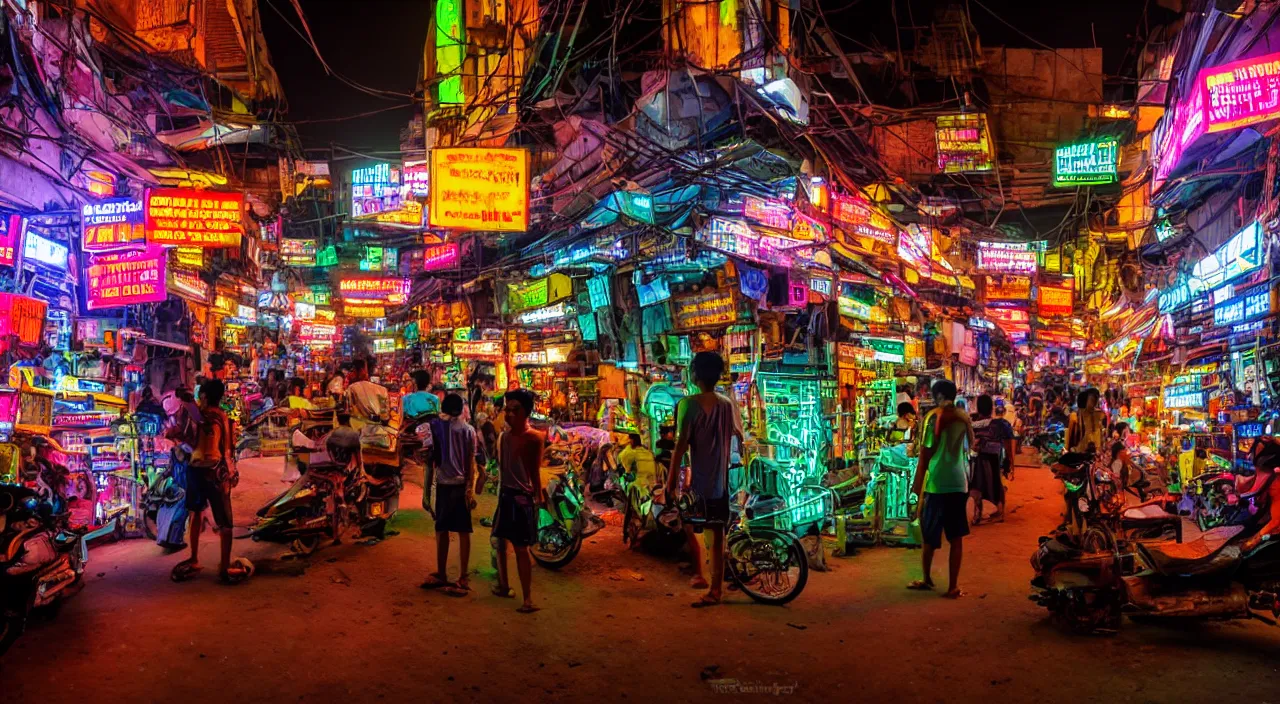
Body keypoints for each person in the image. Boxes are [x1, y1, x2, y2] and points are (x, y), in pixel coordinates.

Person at [665, 351, 743, 608]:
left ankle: (700, 575)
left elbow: (679, 446)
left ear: (695, 373)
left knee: (689, 526)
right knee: (717, 535)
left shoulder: (689, 404)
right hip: (721, 484)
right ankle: (715, 589)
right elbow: (734, 438)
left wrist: (670, 482)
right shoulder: (726, 404)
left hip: (699, 485)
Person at [171, 379, 247, 584]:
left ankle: (195, 558)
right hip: (218, 472)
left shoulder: (199, 417)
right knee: (225, 523)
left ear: (204, 396)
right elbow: (229, 448)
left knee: (196, 513)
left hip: (198, 470)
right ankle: (224, 566)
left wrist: (175, 436)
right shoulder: (224, 418)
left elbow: (188, 443)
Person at [908, 379, 974, 599]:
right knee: (956, 537)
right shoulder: (963, 417)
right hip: (959, 481)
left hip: (937, 482)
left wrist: (916, 487)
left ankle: (927, 578)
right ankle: (953, 586)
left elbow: (926, 454)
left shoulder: (934, 417)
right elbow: (968, 449)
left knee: (929, 535)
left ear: (937, 395)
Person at [491, 388, 545, 613]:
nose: (509, 414)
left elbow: (534, 472)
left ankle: (528, 598)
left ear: (526, 412)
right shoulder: (503, 437)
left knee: (521, 549)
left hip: (522, 498)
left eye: (515, 410)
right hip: (506, 495)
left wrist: (538, 498)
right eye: (507, 410)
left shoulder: (534, 438)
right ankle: (504, 585)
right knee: (499, 541)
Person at [419, 394, 477, 597]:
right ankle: (463, 576)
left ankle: (442, 572)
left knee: (441, 530)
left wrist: (426, 494)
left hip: (444, 485)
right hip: (461, 486)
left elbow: (428, 462)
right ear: (461, 409)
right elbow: (471, 462)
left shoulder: (435, 428)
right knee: (463, 532)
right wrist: (470, 489)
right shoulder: (469, 431)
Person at [969, 395, 1015, 525]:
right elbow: (1008, 443)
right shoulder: (1000, 424)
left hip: (977, 458)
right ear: (992, 408)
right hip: (994, 458)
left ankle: (978, 513)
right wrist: (1010, 461)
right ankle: (1000, 512)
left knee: (977, 485)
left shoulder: (973, 423)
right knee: (996, 484)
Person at [344, 358, 388, 428]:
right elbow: (385, 416)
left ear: (361, 371)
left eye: (352, 371)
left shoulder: (352, 388)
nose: (350, 374)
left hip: (359, 430)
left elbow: (348, 412)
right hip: (379, 430)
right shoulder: (383, 390)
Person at [1067, 388, 1106, 454]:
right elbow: (1071, 436)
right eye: (1092, 399)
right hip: (1080, 451)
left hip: (1095, 451)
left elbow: (1100, 434)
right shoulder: (1076, 416)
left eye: (1096, 399)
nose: (1094, 402)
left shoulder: (1098, 414)